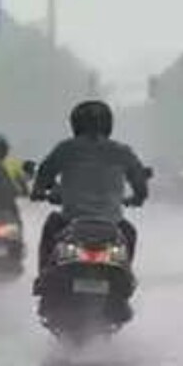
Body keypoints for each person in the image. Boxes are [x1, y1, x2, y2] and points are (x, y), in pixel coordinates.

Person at [30, 100, 149, 290]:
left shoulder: (66, 149)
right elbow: (140, 183)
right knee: (129, 233)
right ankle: (126, 280)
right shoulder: (122, 152)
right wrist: (137, 198)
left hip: (70, 220)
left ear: (76, 123)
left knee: (51, 227)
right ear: (108, 124)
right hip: (112, 222)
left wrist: (38, 191)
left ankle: (43, 278)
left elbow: (45, 173)